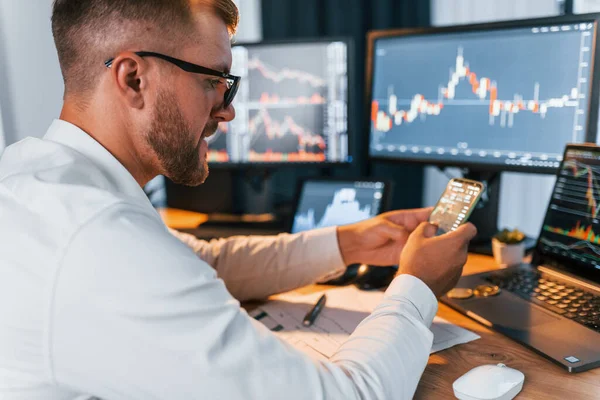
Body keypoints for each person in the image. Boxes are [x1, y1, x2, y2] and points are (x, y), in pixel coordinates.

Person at [0, 1, 477, 399]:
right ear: (133, 79)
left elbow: (206, 262)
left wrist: (350, 243)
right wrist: (417, 287)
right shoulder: (96, 236)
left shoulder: (42, 179)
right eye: (214, 79)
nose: (227, 109)